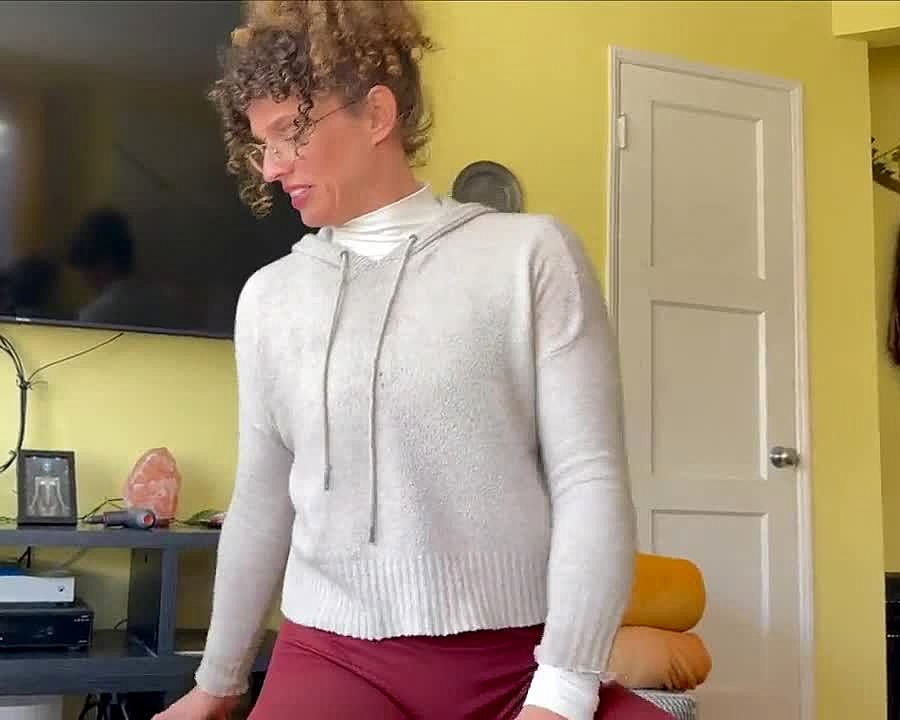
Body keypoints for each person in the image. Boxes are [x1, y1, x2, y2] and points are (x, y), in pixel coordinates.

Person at [156, 3, 669, 719]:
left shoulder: (530, 256)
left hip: (519, 662)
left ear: (376, 114)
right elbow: (262, 500)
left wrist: (562, 693)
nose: (271, 168)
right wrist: (216, 683)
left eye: (291, 132)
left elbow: (590, 478)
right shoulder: (269, 298)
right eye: (259, 144)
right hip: (333, 655)